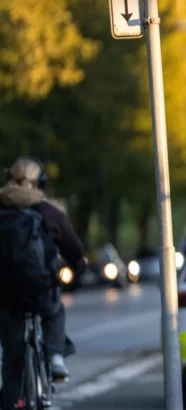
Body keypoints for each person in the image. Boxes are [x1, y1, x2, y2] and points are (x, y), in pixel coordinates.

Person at [0, 156, 86, 409]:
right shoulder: (49, 212)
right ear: (42, 183)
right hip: (40, 290)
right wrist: (76, 273)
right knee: (54, 310)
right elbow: (75, 251)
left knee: (12, 359)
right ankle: (56, 356)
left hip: (4, 295)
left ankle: (10, 402)